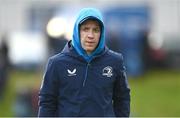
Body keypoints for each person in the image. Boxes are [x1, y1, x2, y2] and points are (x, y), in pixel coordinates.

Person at [38, 8, 130, 117]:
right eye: (85, 29)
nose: (90, 35)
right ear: (77, 31)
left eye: (96, 30)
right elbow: (47, 103)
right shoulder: (56, 63)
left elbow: (122, 98)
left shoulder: (115, 61)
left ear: (102, 33)